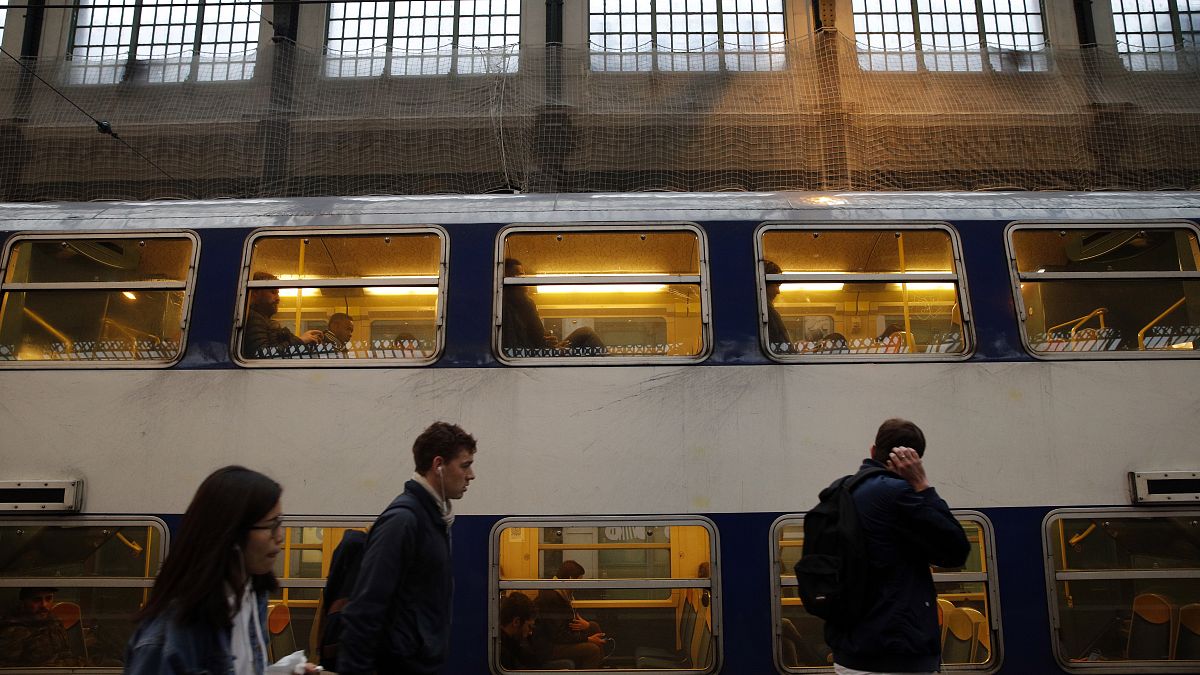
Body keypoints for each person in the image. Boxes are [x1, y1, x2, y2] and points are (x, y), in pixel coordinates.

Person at [124, 466, 318, 675]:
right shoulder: (168, 637)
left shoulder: (252, 595)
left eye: (279, 522)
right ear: (232, 533)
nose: (280, 536)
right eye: (270, 525)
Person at [826, 418, 970, 675]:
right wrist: (923, 486)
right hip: (893, 656)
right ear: (914, 460)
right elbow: (956, 549)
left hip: (850, 653)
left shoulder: (841, 490)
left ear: (872, 451)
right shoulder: (897, 495)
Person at [337, 422, 478, 675]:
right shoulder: (404, 521)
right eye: (465, 465)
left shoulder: (432, 519)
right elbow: (365, 609)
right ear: (439, 465)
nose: (471, 475)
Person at [501, 258, 604, 355]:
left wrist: (550, 346)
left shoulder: (523, 305)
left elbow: (536, 339)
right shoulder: (508, 309)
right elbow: (516, 349)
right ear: (508, 280)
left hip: (543, 352)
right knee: (586, 333)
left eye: (523, 275)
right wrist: (550, 350)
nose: (523, 279)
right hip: (537, 357)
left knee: (584, 332)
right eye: (519, 275)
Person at [533, 560, 606, 669]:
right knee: (593, 650)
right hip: (549, 647)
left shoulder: (563, 595)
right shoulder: (552, 598)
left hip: (559, 639)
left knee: (593, 626)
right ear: (571, 579)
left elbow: (565, 625)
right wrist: (587, 639)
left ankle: (600, 666)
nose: (580, 585)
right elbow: (559, 635)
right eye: (579, 581)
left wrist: (586, 626)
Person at [242, 272, 323, 358]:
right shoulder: (254, 318)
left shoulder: (265, 321)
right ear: (255, 293)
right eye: (273, 292)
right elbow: (262, 354)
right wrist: (300, 340)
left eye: (278, 293)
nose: (278, 298)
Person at [0, 587, 81, 667]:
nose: (44, 605)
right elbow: (6, 668)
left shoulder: (54, 621)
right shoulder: (13, 630)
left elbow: (66, 653)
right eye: (36, 600)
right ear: (24, 602)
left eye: (48, 598)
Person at [498, 592, 539, 670]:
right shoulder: (503, 654)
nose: (530, 632)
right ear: (516, 622)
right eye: (529, 626)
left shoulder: (511, 645)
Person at [763, 260, 791, 350]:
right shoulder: (768, 312)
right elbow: (781, 346)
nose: (778, 291)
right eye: (777, 285)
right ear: (765, 284)